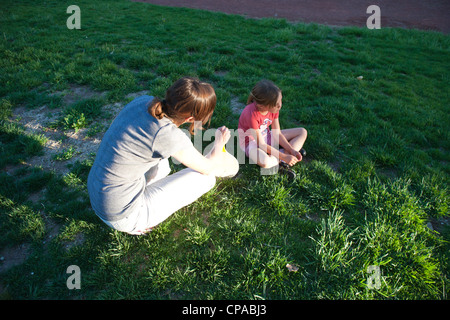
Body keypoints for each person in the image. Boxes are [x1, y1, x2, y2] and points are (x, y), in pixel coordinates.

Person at [87, 77, 238, 235]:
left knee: (163, 163)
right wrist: (219, 144)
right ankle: (136, 222)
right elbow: (207, 169)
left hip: (99, 194)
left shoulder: (143, 101)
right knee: (207, 179)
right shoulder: (168, 136)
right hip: (122, 215)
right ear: (190, 119)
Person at [238, 79, 307, 178]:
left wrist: (291, 150)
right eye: (277, 104)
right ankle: (283, 159)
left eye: (280, 100)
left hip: (266, 136)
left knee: (302, 132)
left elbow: (277, 133)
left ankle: (283, 159)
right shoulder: (251, 114)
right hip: (251, 143)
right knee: (265, 162)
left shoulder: (274, 109)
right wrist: (284, 156)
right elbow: (261, 144)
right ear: (262, 105)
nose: (280, 105)